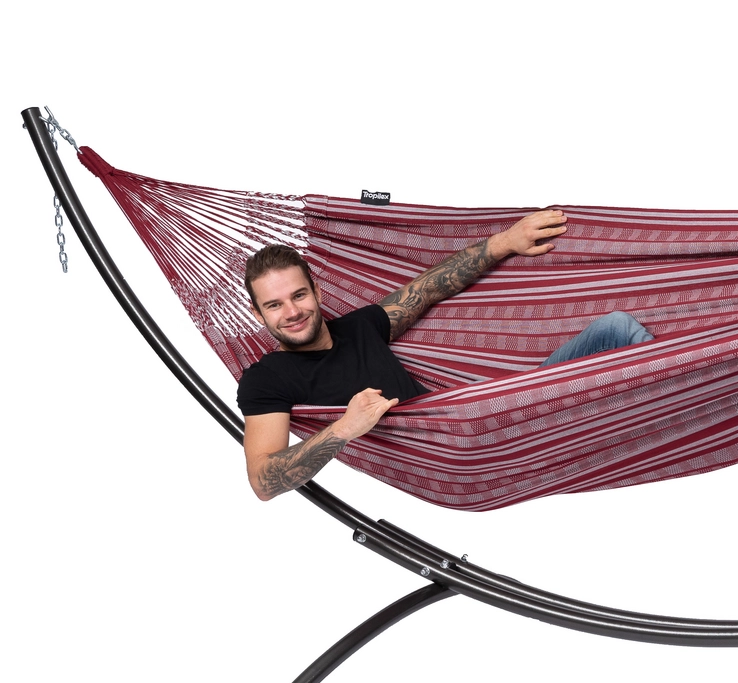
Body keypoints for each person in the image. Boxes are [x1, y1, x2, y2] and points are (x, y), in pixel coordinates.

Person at [237, 210, 652, 501]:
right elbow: (262, 482)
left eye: (298, 295)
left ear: (316, 291)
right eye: (274, 305)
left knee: (615, 328)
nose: (292, 312)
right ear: (258, 314)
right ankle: (663, 407)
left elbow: (428, 288)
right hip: (459, 463)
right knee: (619, 345)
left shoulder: (360, 327)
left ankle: (674, 399)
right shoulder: (268, 378)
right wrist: (344, 428)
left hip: (488, 418)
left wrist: (506, 242)